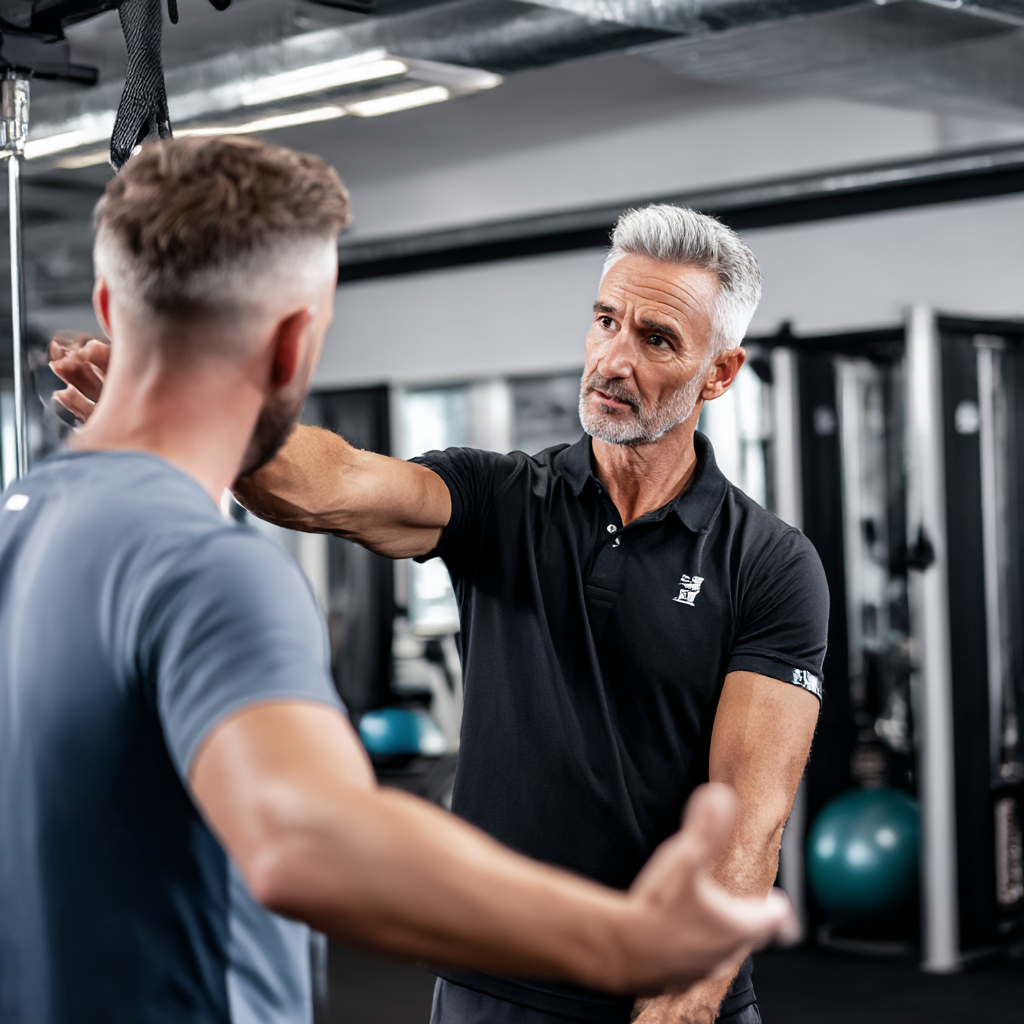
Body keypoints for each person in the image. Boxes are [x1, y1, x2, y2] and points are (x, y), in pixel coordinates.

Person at [0, 137, 796, 1024]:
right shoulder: (501, 497)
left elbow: (749, 819)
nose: (614, 359)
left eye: (654, 339)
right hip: (489, 988)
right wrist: (619, 934)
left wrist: (675, 999)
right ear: (298, 338)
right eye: (605, 320)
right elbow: (332, 486)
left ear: (720, 372)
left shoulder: (767, 561)